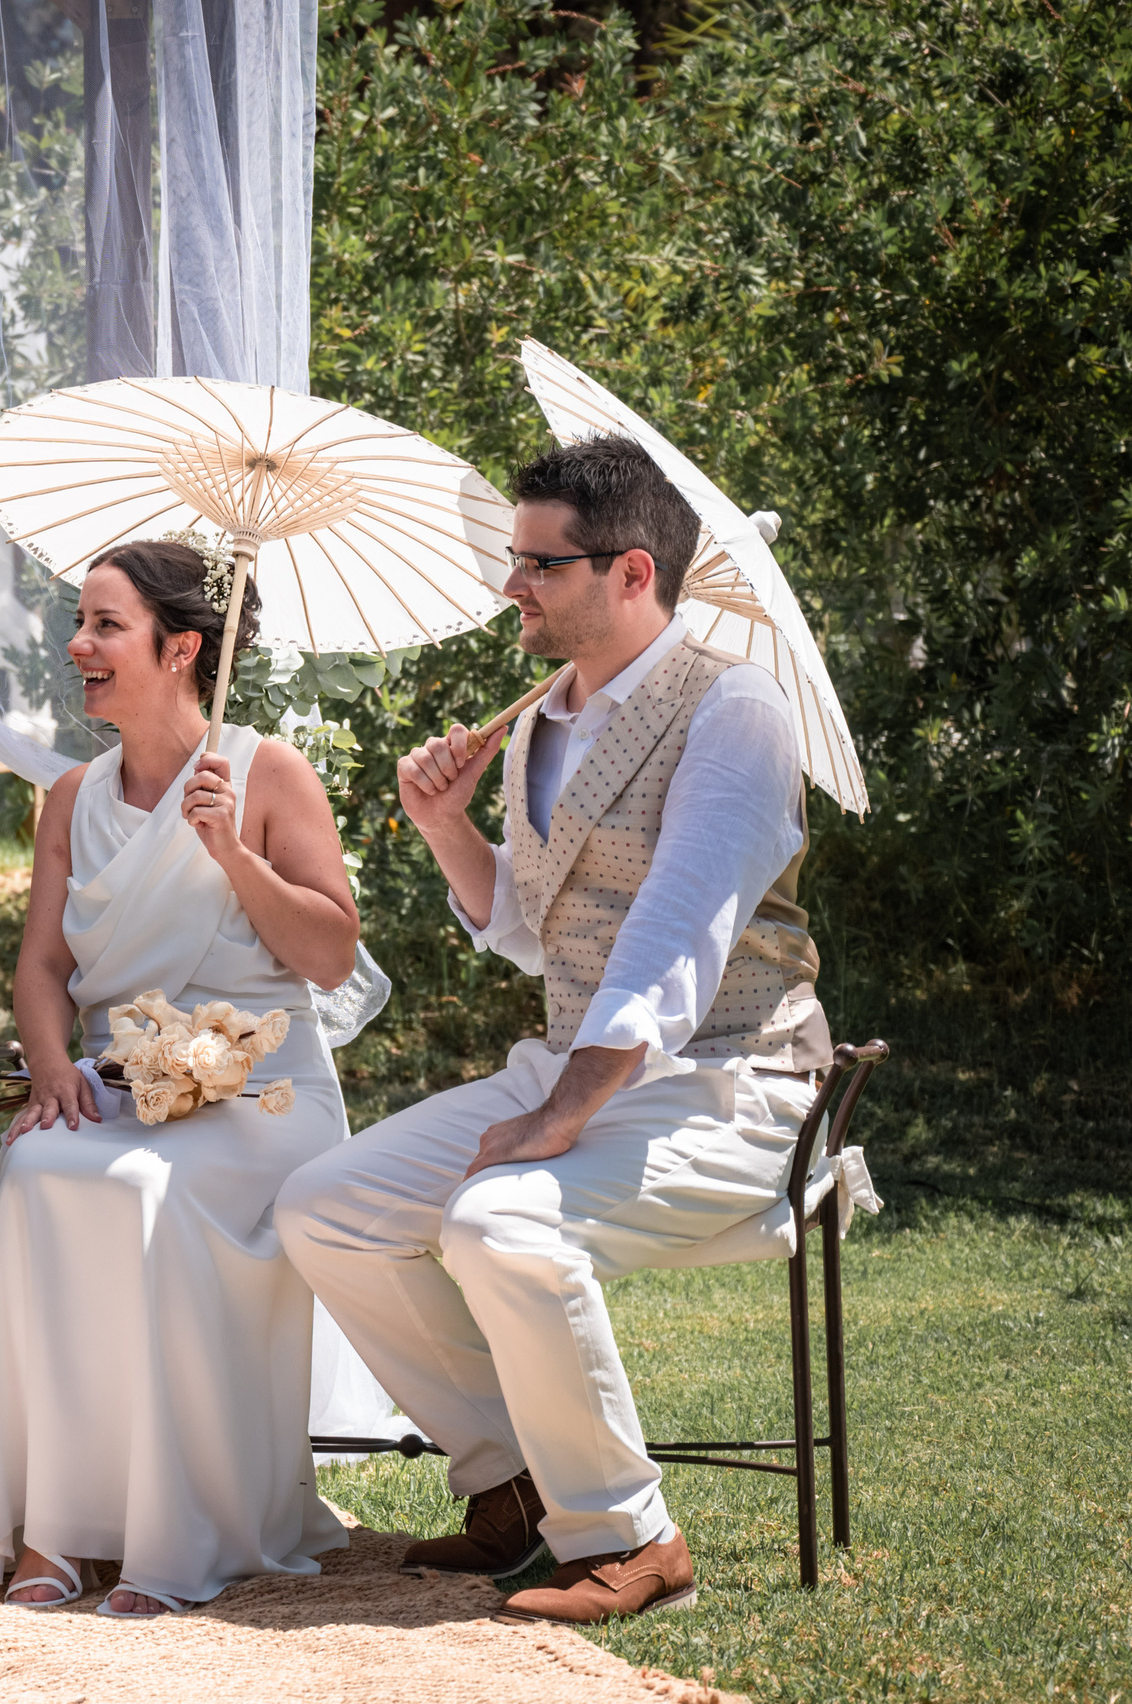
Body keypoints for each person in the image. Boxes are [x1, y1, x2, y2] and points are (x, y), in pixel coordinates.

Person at [275, 435, 830, 1625]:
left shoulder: (735, 709)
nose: (510, 586)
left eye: (539, 563)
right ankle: (512, 1486)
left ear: (631, 574)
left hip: (732, 1083)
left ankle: (631, 1538)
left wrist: (557, 1115)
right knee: (326, 1207)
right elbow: (535, 936)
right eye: (513, 558)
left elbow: (673, 941)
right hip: (577, 1066)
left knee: (501, 1218)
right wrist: (442, 825)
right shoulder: (542, 722)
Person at [0, 539, 363, 1618]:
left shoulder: (268, 773)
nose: (76, 646)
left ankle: (178, 1538)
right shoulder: (71, 797)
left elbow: (327, 956)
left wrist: (234, 853)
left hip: (267, 1098)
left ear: (181, 648)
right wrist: (51, 1071)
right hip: (127, 1081)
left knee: (147, 1195)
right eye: (78, 623)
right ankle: (57, 1529)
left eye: (103, 625)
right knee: (39, 1166)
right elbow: (42, 966)